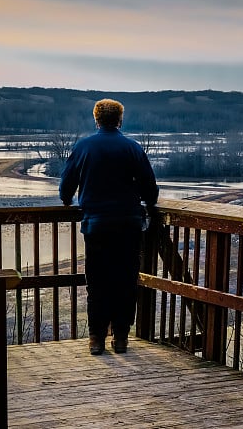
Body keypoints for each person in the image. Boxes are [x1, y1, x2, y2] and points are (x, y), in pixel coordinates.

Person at [59, 98, 158, 355]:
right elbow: (150, 188)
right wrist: (147, 203)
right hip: (129, 226)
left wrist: (69, 199)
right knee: (125, 281)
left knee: (98, 282)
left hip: (97, 227)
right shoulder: (132, 148)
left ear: (96, 119)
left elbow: (66, 187)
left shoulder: (84, 147)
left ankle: (96, 339)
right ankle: (122, 337)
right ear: (120, 120)